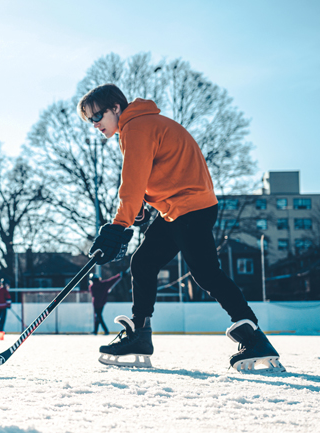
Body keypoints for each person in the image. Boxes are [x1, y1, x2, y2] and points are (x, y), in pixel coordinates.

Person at [80, 84, 283, 372]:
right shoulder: (145, 124)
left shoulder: (136, 127)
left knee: (206, 273)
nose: (95, 124)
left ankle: (254, 337)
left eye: (97, 116)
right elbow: (158, 173)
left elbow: (132, 182)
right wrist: (136, 211)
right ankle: (139, 335)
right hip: (179, 208)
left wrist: (119, 225)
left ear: (115, 108)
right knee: (144, 262)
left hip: (190, 208)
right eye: (90, 120)